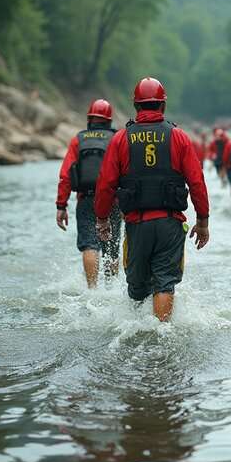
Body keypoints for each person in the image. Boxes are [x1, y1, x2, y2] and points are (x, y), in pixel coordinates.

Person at [94, 77, 210, 322]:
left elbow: (105, 184)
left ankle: (137, 335)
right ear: (163, 106)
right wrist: (203, 221)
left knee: (136, 288)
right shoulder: (178, 137)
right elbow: (197, 182)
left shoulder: (121, 139)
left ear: (136, 106)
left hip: (137, 225)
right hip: (170, 224)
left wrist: (102, 219)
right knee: (165, 282)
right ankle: (161, 336)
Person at [56, 99, 121, 288]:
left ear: (89, 119)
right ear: (109, 120)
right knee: (111, 247)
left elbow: (66, 175)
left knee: (89, 244)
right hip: (112, 200)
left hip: (85, 200)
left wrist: (61, 205)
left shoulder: (78, 139)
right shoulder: (116, 138)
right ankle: (110, 288)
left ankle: (92, 290)